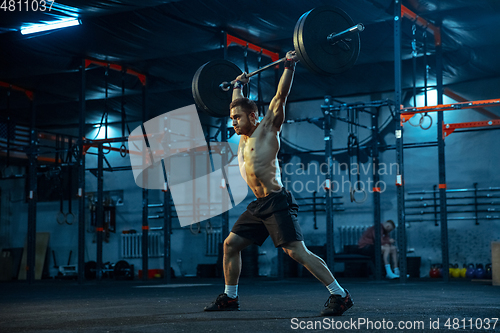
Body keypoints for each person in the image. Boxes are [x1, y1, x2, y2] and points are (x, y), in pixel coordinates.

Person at [204, 51, 353, 316]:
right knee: (230, 244)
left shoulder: (268, 129)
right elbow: (236, 103)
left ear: (253, 116)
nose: (233, 122)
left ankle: (340, 295)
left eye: (237, 118)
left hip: (276, 201)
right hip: (258, 205)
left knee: (295, 251)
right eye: (232, 118)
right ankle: (230, 297)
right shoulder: (243, 135)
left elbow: (279, 98)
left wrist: (288, 66)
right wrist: (238, 85)